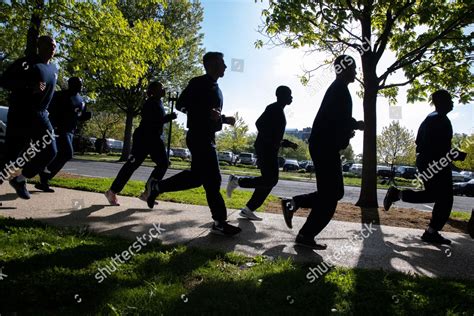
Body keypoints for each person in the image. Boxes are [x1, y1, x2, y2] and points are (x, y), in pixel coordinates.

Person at [146, 52, 241, 236]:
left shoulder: (218, 89)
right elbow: (181, 104)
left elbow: (212, 116)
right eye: (223, 62)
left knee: (197, 178)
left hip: (208, 136)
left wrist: (221, 119)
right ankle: (220, 222)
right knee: (213, 180)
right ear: (212, 64)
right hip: (198, 136)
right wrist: (212, 115)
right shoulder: (198, 83)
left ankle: (157, 187)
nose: (226, 67)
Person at [280, 55, 364, 249]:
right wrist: (356, 124)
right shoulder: (339, 90)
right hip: (324, 147)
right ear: (342, 69)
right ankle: (304, 232)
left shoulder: (339, 90)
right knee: (332, 194)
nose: (356, 72)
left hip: (325, 146)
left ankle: (296, 210)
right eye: (353, 68)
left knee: (333, 193)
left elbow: (333, 120)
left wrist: (347, 131)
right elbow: (337, 118)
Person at [383, 90, 467, 244]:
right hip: (435, 164)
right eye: (449, 99)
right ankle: (431, 232)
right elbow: (438, 148)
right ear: (441, 102)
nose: (452, 102)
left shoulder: (430, 118)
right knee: (445, 198)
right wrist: (456, 155)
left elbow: (420, 143)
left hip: (426, 161)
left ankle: (397, 194)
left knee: (434, 195)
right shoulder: (440, 120)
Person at [226, 86, 297, 220]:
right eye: (289, 95)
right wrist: (271, 142)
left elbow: (274, 135)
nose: (291, 98)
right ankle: (237, 181)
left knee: (269, 181)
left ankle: (249, 209)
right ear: (281, 95)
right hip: (265, 149)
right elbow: (259, 124)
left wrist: (287, 143)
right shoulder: (273, 108)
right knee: (270, 180)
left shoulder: (279, 110)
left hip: (270, 149)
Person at [0, 35, 58, 199]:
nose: (52, 48)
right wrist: (28, 85)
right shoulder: (27, 63)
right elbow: (4, 81)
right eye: (48, 45)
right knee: (11, 156)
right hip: (21, 113)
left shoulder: (54, 68)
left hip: (41, 115)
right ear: (39, 46)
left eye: (54, 46)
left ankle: (20, 179)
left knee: (51, 151)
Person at [104, 81, 176, 206]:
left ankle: (148, 192)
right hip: (144, 138)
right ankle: (112, 191)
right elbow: (152, 121)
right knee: (132, 165)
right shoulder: (149, 103)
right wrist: (168, 118)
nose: (164, 89)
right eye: (161, 88)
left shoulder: (158, 102)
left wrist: (166, 118)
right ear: (153, 91)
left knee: (163, 163)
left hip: (153, 138)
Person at [35, 76, 91, 192]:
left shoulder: (81, 100)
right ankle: (44, 174)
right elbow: (48, 109)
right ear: (70, 84)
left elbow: (78, 116)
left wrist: (85, 117)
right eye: (77, 84)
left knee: (60, 154)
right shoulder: (59, 95)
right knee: (67, 153)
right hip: (58, 129)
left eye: (80, 84)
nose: (79, 86)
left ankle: (44, 179)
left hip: (70, 131)